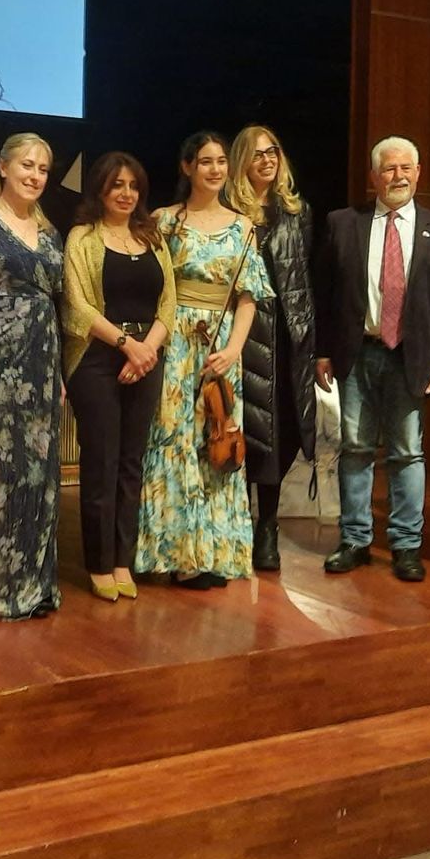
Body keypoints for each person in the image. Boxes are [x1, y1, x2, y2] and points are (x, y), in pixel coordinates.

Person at [312, 137, 430, 581]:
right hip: (356, 355)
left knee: (407, 453)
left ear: (418, 173)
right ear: (373, 176)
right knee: (355, 449)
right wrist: (322, 350)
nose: (398, 176)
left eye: (406, 168)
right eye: (389, 168)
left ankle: (406, 546)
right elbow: (323, 294)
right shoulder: (343, 223)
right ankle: (355, 540)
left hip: (412, 358)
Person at [138, 133, 271, 588]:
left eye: (221, 162)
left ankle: (214, 552)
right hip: (175, 340)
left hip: (221, 345)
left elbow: (249, 297)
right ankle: (178, 556)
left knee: (217, 441)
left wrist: (234, 349)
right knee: (173, 437)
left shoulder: (243, 226)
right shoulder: (165, 221)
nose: (215, 170)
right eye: (206, 162)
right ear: (187, 166)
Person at [62, 152, 176, 603]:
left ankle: (123, 559)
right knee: (101, 461)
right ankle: (98, 562)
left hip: (146, 357)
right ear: (100, 189)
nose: (126, 194)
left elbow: (169, 303)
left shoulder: (152, 237)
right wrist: (127, 344)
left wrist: (148, 348)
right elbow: (76, 305)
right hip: (97, 357)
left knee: (132, 462)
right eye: (117, 185)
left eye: (133, 186)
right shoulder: (83, 237)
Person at [0, 134, 65, 618]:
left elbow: (57, 301)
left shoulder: (50, 232)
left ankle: (36, 585)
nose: (35, 176)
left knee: (40, 474)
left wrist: (59, 373)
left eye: (43, 169)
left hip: (42, 364)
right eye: (27, 165)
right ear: (3, 167)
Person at [229, 125, 316, 572]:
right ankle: (234, 524)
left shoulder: (297, 212)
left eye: (273, 152)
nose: (267, 160)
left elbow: (306, 278)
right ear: (241, 162)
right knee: (239, 429)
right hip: (239, 334)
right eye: (257, 154)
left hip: (286, 337)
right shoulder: (227, 212)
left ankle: (267, 526)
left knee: (280, 433)